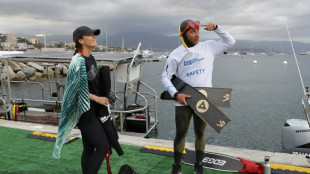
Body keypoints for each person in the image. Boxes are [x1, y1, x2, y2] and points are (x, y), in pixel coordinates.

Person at [161, 20, 235, 174]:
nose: (196, 35)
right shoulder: (176, 54)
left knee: (200, 133)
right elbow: (165, 77)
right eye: (192, 32)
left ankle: (198, 165)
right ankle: (176, 165)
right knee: (181, 133)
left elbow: (230, 41)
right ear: (183, 34)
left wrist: (216, 28)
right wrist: (176, 94)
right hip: (183, 100)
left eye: (197, 31)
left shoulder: (209, 46)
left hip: (203, 99)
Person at [53, 26, 111, 174]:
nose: (94, 37)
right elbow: (76, 90)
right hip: (85, 114)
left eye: (95, 35)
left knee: (89, 148)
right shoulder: (77, 61)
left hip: (93, 111)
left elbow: (93, 85)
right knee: (103, 147)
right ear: (80, 40)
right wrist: (97, 98)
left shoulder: (91, 58)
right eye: (90, 35)